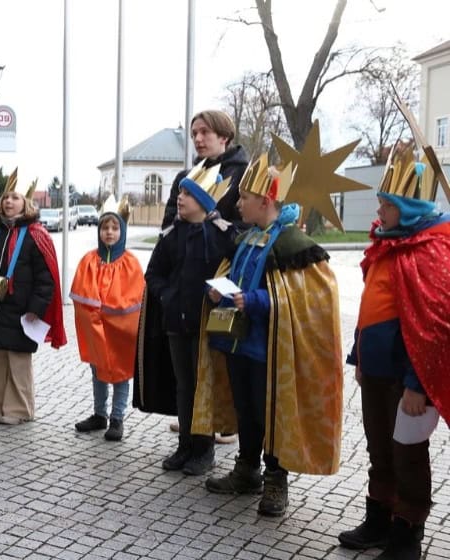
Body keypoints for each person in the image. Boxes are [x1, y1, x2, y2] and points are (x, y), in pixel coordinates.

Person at [192, 154, 344, 518]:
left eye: (244, 197)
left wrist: (256, 300)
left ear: (265, 201)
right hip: (238, 343)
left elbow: (305, 299)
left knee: (271, 411)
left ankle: (276, 479)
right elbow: (239, 279)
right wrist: (220, 292)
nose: (239, 203)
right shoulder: (248, 238)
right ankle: (247, 469)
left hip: (271, 349)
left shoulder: (293, 244)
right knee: (247, 410)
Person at [338, 146, 450, 560]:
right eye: (380, 203)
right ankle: (379, 519)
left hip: (411, 379)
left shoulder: (432, 250)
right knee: (379, 449)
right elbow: (373, 305)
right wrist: (360, 357)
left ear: (408, 206)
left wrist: (418, 384)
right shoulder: (387, 245)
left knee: (407, 455)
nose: (379, 211)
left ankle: (407, 533)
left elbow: (437, 326)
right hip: (377, 370)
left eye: (386, 204)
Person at [144, 164, 237, 475]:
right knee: (184, 386)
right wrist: (167, 297)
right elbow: (153, 274)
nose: (179, 198)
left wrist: (219, 296)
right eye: (180, 192)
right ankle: (185, 444)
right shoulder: (172, 235)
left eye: (186, 193)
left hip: (207, 327)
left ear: (204, 202)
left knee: (203, 386)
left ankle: (203, 448)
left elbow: (234, 274)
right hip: (176, 324)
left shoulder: (222, 235)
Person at [0, 170, 65, 425]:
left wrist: (36, 308)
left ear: (26, 203)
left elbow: (46, 279)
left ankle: (19, 409)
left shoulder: (36, 235)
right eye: (6, 197)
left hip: (21, 312)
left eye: (15, 198)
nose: (9, 202)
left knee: (18, 362)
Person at [70, 195, 143, 441]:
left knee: (121, 373)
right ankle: (99, 414)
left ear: (122, 230)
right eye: (105, 227)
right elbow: (82, 294)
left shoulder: (131, 263)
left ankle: (117, 418)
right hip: (96, 329)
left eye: (114, 228)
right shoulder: (89, 261)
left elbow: (133, 298)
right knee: (97, 369)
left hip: (120, 332)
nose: (109, 233)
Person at [161, 110, 249, 228]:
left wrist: (218, 227)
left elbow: (249, 226)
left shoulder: (244, 175)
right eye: (194, 133)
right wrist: (179, 222)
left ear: (224, 137)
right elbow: (167, 227)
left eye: (204, 132)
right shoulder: (184, 178)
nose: (197, 139)